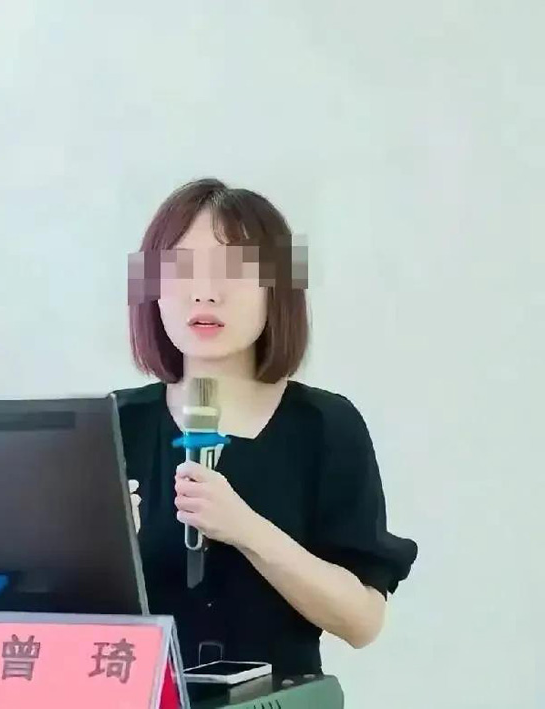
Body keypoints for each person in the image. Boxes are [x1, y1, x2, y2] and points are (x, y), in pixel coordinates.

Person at [115, 178, 417, 677]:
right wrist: (97, 558)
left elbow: (362, 622)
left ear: (277, 289)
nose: (205, 293)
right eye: (181, 270)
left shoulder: (325, 426)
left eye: (234, 271)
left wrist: (246, 529)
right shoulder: (115, 425)